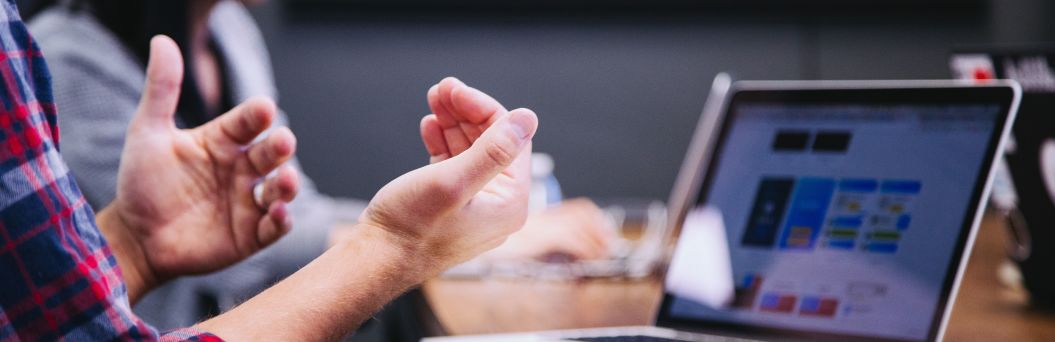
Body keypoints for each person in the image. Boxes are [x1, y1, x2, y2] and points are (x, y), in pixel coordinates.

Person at [27, 0, 614, 334]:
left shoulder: (229, 30)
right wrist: (427, 237)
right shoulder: (67, 60)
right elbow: (241, 262)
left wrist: (439, 226)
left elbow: (285, 214)